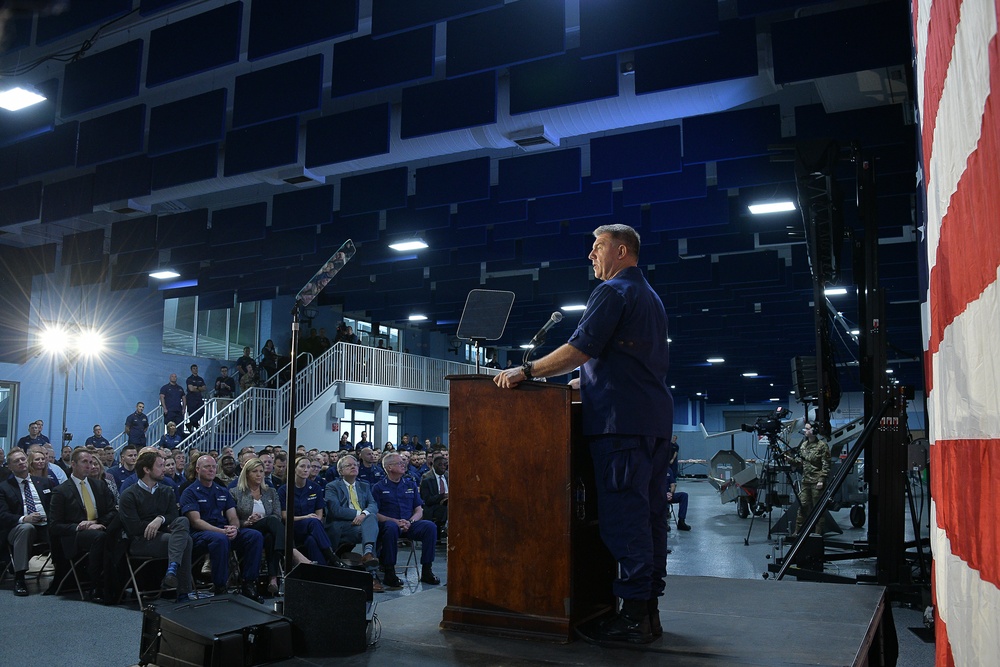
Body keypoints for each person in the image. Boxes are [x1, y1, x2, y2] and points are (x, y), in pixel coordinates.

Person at [494, 223, 672, 644]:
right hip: (651, 423)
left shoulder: (612, 292)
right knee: (650, 520)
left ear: (622, 250)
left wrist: (528, 369)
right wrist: (588, 382)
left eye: (598, 247)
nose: (591, 255)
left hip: (620, 426)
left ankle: (631, 620)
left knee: (625, 522)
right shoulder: (650, 297)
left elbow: (581, 348)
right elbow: (629, 359)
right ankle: (648, 612)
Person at [179, 456, 264, 602]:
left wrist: (234, 528)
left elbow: (232, 516)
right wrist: (222, 532)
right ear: (198, 469)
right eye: (207, 467)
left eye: (213, 466)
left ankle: (248, 583)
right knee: (220, 539)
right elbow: (196, 522)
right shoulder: (190, 492)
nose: (211, 470)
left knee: (254, 536)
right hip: (200, 535)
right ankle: (220, 587)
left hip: (223, 531)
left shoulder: (222, 490)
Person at [119, 450, 197, 602]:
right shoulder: (129, 495)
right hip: (140, 541)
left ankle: (172, 570)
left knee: (183, 521)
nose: (165, 469)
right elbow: (133, 527)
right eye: (160, 466)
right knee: (186, 541)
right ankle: (182, 591)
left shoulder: (166, 490)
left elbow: (174, 516)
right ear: (147, 470)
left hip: (164, 536)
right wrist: (156, 524)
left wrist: (159, 519)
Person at [231, 457, 309, 596]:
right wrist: (247, 521)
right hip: (247, 530)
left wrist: (262, 518)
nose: (259, 474)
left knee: (270, 536)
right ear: (246, 473)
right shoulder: (235, 492)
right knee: (271, 522)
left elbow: (278, 515)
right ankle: (293, 552)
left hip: (267, 529)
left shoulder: (271, 492)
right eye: (255, 471)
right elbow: (233, 519)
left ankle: (272, 580)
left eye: (261, 471)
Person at [48, 449, 118, 603]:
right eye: (84, 462)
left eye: (91, 462)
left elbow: (113, 511)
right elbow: (54, 525)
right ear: (73, 464)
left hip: (100, 527)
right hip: (75, 535)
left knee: (119, 535)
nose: (89, 465)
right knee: (99, 538)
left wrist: (95, 523)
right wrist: (80, 526)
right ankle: (96, 586)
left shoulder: (99, 486)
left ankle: (118, 584)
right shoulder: (61, 491)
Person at [373, 453, 440, 589]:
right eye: (399, 463)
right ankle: (389, 571)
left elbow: (419, 509)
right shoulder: (378, 488)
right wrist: (395, 521)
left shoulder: (410, 484)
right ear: (389, 467)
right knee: (391, 527)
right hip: (389, 525)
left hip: (410, 524)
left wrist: (410, 521)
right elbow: (375, 513)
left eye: (404, 462)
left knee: (430, 526)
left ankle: (427, 569)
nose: (404, 465)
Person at [0, 449, 53, 596]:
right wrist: (24, 518)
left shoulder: (44, 482)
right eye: (16, 461)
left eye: (23, 459)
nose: (21, 463)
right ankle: (20, 577)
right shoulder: (4, 487)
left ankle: (65, 575)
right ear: (9, 466)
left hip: (45, 525)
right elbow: (2, 515)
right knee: (27, 528)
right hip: (17, 528)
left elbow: (55, 505)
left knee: (62, 528)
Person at [278, 458, 341, 567]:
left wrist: (311, 518)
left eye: (308, 467)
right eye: (302, 466)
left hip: (312, 528)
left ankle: (320, 570)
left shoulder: (315, 488)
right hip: (293, 527)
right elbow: (284, 516)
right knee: (313, 522)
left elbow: (319, 514)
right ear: (294, 469)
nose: (306, 470)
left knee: (311, 540)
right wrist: (305, 517)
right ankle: (331, 556)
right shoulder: (284, 490)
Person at [324, 455, 380, 569]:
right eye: (349, 465)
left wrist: (363, 515)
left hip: (362, 523)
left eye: (355, 465)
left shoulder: (364, 485)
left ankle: (368, 555)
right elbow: (336, 511)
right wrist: (359, 515)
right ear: (340, 471)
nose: (353, 467)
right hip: (342, 525)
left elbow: (373, 504)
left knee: (375, 521)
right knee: (372, 528)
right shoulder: (332, 486)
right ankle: (371, 573)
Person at [791, 421, 831, 537]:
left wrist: (821, 479)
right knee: (802, 506)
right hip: (806, 481)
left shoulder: (822, 446)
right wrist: (789, 459)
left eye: (808, 429)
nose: (805, 431)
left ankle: (818, 533)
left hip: (816, 482)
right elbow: (801, 462)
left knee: (818, 508)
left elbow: (826, 465)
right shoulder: (803, 445)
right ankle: (797, 532)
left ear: (814, 431)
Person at [419, 453, 449, 536]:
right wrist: (442, 496)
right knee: (447, 509)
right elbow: (427, 500)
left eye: (445, 465)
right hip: (434, 506)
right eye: (440, 465)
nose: (443, 467)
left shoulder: (449, 476)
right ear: (434, 465)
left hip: (449, 503)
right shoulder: (427, 478)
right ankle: (444, 528)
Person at [185, 364, 208, 430]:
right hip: (191, 398)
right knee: (192, 412)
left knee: (201, 411)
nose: (195, 370)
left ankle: (191, 424)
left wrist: (197, 387)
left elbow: (204, 388)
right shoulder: (189, 379)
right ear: (191, 370)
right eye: (194, 368)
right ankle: (194, 424)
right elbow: (191, 389)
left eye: (196, 368)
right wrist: (199, 388)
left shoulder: (200, 379)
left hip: (198, 397)